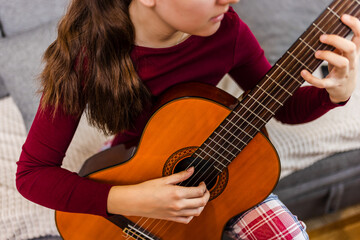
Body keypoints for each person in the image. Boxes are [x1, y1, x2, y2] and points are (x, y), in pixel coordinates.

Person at [16, 0, 360, 239]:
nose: (231, 1)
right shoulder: (88, 54)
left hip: (222, 160)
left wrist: (336, 93)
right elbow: (32, 174)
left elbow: (282, 107)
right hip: (141, 165)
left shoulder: (229, 33)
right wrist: (134, 199)